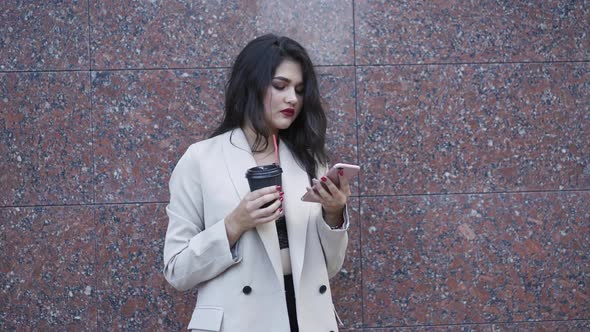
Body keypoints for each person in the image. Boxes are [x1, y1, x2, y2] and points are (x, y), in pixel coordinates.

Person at [163, 34, 350, 332]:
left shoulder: (309, 159)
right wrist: (233, 225)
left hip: (306, 320)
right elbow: (177, 270)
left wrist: (333, 215)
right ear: (251, 85)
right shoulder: (201, 159)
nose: (293, 99)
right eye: (280, 86)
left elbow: (328, 269)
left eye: (300, 90)